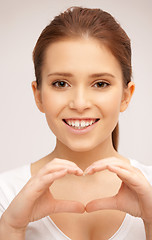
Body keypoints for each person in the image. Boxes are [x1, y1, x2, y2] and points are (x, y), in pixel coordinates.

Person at [0, 6, 152, 240]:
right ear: (38, 95)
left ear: (125, 96)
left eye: (100, 84)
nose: (80, 103)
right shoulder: (6, 195)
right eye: (61, 83)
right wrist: (11, 229)